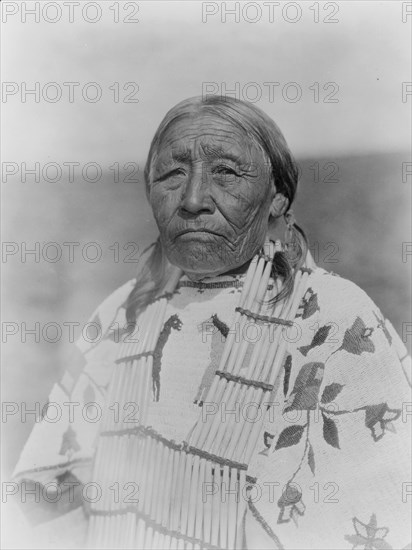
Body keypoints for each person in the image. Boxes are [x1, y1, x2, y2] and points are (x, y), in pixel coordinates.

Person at [12, 96, 411, 549]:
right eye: (172, 174)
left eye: (226, 172)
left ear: (278, 198)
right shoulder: (125, 314)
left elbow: (374, 512)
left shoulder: (332, 318)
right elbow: (50, 487)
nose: (194, 199)